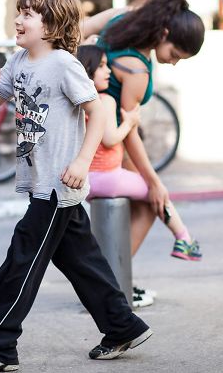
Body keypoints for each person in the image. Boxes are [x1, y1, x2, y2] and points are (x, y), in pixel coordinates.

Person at [0, 0, 152, 373]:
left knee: (23, 258)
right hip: (40, 178)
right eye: (19, 12)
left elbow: (96, 114)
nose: (19, 20)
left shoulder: (65, 64)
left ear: (51, 25)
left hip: (58, 182)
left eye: (28, 14)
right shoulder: (19, 60)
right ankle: (122, 326)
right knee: (80, 259)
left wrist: (82, 161)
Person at [81, 0, 205, 306]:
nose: (173, 62)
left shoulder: (120, 19)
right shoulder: (136, 68)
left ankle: (110, 282)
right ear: (164, 33)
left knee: (141, 204)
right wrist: (154, 179)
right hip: (114, 144)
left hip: (88, 133)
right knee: (151, 200)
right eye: (175, 53)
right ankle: (109, 285)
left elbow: (78, 29)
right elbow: (129, 129)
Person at [75, 45, 201, 275]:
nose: (109, 72)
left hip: (88, 181)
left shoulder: (78, 103)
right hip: (108, 177)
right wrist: (130, 122)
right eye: (101, 66)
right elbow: (111, 139)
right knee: (157, 192)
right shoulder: (105, 100)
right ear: (88, 71)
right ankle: (184, 238)